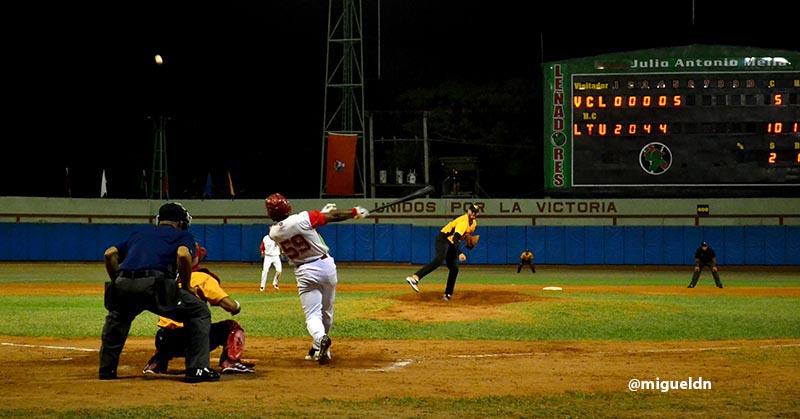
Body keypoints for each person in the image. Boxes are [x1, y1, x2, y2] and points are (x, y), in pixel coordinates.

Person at [99, 202, 219, 383]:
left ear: (159, 220)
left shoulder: (139, 233)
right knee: (199, 311)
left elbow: (109, 254)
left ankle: (106, 370)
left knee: (117, 318)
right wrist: (186, 286)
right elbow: (183, 256)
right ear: (181, 222)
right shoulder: (182, 235)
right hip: (155, 283)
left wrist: (117, 280)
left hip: (123, 282)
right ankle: (197, 369)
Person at [264, 194, 368, 365]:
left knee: (312, 314)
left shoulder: (273, 233)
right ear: (288, 207)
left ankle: (319, 340)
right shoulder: (304, 218)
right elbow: (333, 217)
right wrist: (354, 212)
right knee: (326, 312)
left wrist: (319, 214)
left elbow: (297, 226)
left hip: (304, 271)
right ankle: (320, 347)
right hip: (325, 266)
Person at [142, 242, 255, 375]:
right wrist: (236, 306)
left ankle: (157, 362)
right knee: (231, 327)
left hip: (164, 340)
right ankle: (230, 361)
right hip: (193, 340)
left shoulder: (164, 279)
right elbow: (229, 306)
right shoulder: (202, 277)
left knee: (167, 330)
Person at [405, 203, 480, 301]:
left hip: (452, 243)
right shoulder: (463, 222)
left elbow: (463, 235)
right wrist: (460, 253)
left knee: (454, 268)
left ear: (477, 214)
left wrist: (467, 239)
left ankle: (447, 295)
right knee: (439, 260)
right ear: (468, 211)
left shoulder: (474, 224)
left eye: (475, 212)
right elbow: (456, 238)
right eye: (472, 211)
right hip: (443, 239)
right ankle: (415, 278)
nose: (473, 214)